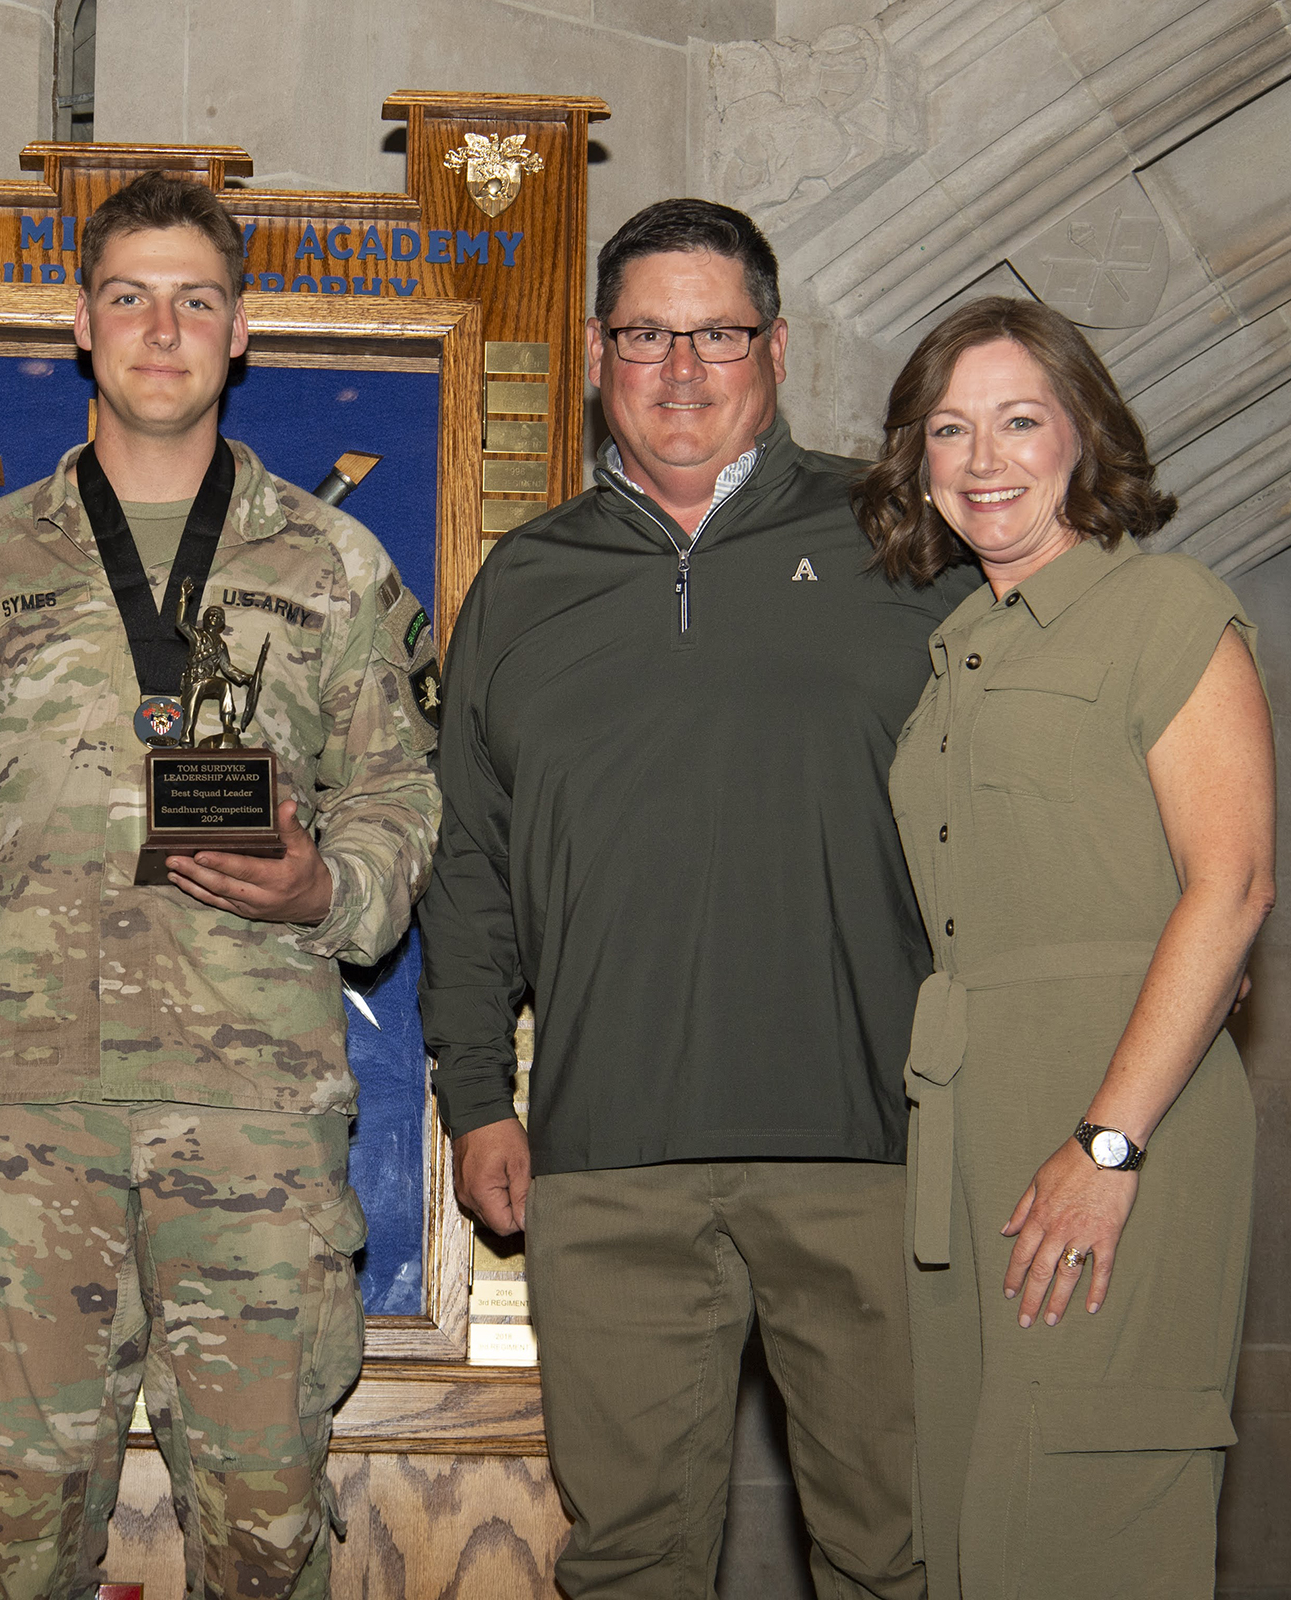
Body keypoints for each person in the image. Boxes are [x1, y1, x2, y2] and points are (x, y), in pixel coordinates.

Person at [0, 172, 441, 1599]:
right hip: (21, 1121)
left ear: (241, 332)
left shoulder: (336, 565)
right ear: (81, 325)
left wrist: (326, 893)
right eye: (130, 297)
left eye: (195, 299)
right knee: (14, 1522)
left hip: (255, 1124)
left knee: (264, 1525)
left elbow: (402, 801)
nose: (161, 329)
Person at [420, 197, 978, 1600]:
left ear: (776, 347)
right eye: (645, 334)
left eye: (717, 332)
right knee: (627, 1565)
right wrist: (480, 1096)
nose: (682, 367)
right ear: (597, 354)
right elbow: (471, 865)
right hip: (608, 1166)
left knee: (900, 1549)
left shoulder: (907, 548)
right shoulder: (523, 585)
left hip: (875, 1149)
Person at [856, 297, 1273, 1596]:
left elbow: (1235, 885)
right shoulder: (952, 651)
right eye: (949, 431)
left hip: (1117, 1122)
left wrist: (1108, 1144)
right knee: (974, 1523)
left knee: (1092, 1513)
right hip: (964, 1133)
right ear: (917, 465)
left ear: (1085, 437)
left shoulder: (1164, 607)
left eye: (1020, 421)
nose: (984, 460)